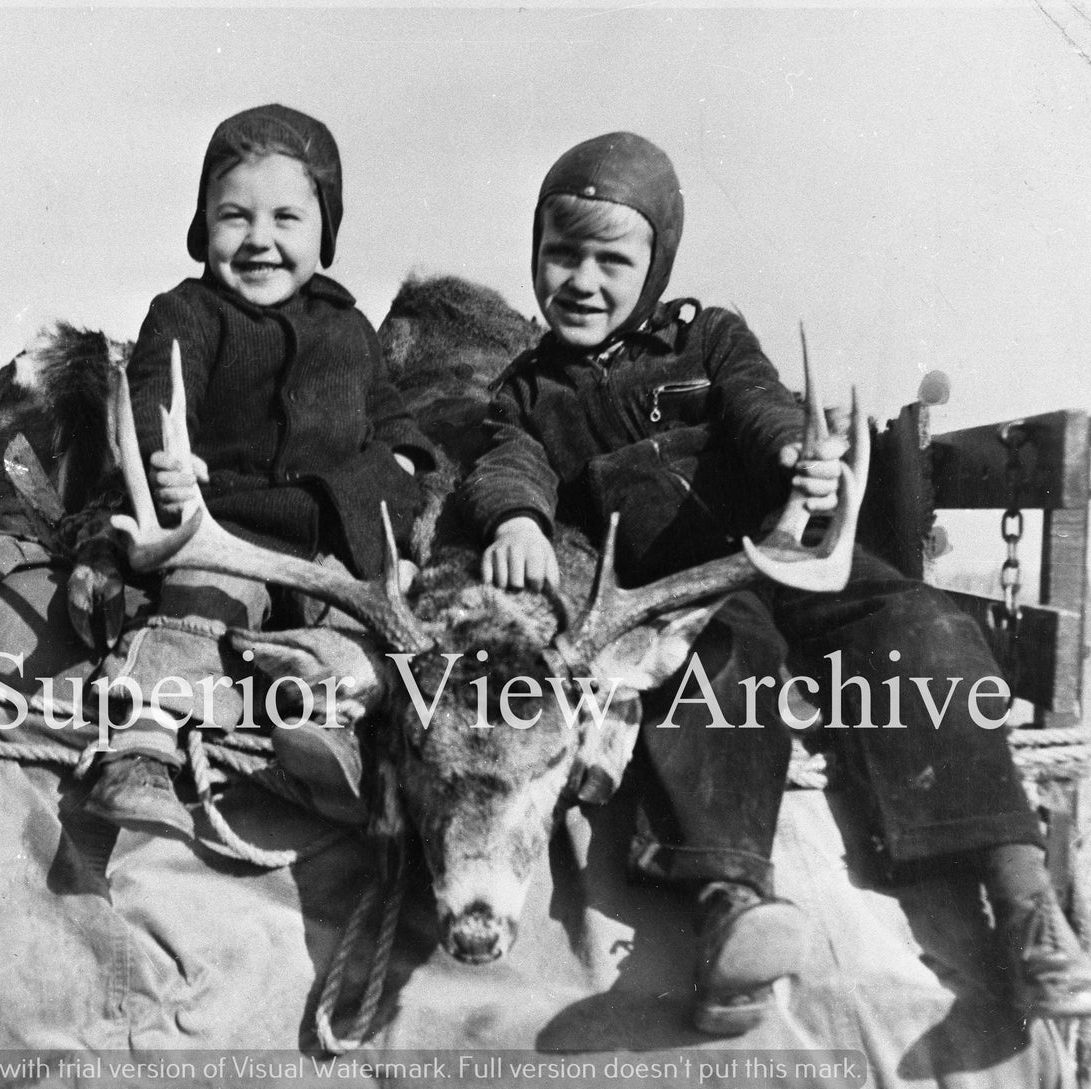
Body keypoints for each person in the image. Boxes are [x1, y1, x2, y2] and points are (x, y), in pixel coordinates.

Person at [463, 131, 1091, 1033]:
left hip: (792, 554)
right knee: (720, 670)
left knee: (919, 622)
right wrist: (517, 518)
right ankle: (730, 904)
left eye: (613, 261)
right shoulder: (527, 391)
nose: (582, 282)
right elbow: (507, 460)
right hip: (688, 594)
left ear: (655, 264)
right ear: (534, 251)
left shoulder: (706, 337)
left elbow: (761, 405)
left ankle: (1023, 898)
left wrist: (800, 454)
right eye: (562, 254)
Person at [80, 104, 436, 838]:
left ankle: (325, 738)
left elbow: (393, 420)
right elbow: (154, 396)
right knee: (202, 605)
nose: (259, 240)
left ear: (323, 230)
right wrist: (169, 461)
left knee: (353, 628)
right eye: (234, 217)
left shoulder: (350, 330)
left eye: (286, 219)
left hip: (328, 545)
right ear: (203, 225)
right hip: (226, 528)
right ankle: (142, 746)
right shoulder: (187, 313)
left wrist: (402, 461)